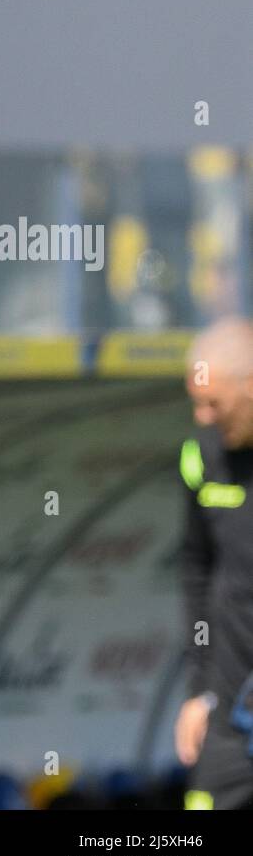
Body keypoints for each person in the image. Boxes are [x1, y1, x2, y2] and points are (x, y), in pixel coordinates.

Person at [173, 317, 253, 809]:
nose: (203, 416)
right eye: (195, 403)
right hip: (229, 707)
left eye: (214, 403)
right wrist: (199, 693)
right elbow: (197, 572)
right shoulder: (200, 457)